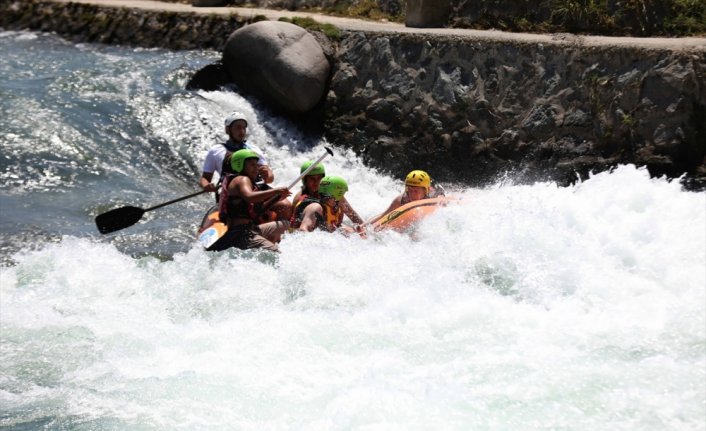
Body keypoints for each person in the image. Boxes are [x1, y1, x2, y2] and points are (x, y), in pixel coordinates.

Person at [209, 149, 291, 252]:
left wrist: (276, 198)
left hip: (250, 229)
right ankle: (267, 247)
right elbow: (249, 196)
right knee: (275, 253)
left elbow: (258, 210)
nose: (256, 168)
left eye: (257, 165)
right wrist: (275, 191)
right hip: (240, 234)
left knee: (285, 225)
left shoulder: (247, 182)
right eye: (252, 165)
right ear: (240, 165)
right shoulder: (241, 179)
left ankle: (266, 244)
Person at [198, 111, 274, 194]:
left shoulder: (254, 150)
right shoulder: (215, 151)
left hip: (257, 190)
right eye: (238, 127)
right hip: (231, 196)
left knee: (285, 204)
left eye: (244, 128)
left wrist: (267, 175)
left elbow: (269, 179)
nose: (242, 131)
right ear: (228, 130)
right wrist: (206, 185)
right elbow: (205, 178)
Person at [291, 160, 365, 228]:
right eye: (312, 179)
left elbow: (352, 215)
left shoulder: (333, 194)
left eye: (319, 178)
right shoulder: (299, 198)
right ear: (305, 180)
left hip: (333, 228)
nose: (316, 182)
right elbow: (294, 223)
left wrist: (364, 228)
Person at [292, 175, 364, 235]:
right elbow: (303, 230)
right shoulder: (315, 208)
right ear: (338, 194)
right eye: (342, 194)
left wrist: (363, 229)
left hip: (327, 235)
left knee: (348, 230)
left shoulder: (338, 203)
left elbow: (354, 217)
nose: (342, 197)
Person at [365, 170, 439, 226]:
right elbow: (384, 215)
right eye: (409, 190)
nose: (412, 194)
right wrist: (364, 226)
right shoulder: (401, 200)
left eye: (416, 191)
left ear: (426, 190)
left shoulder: (434, 195)